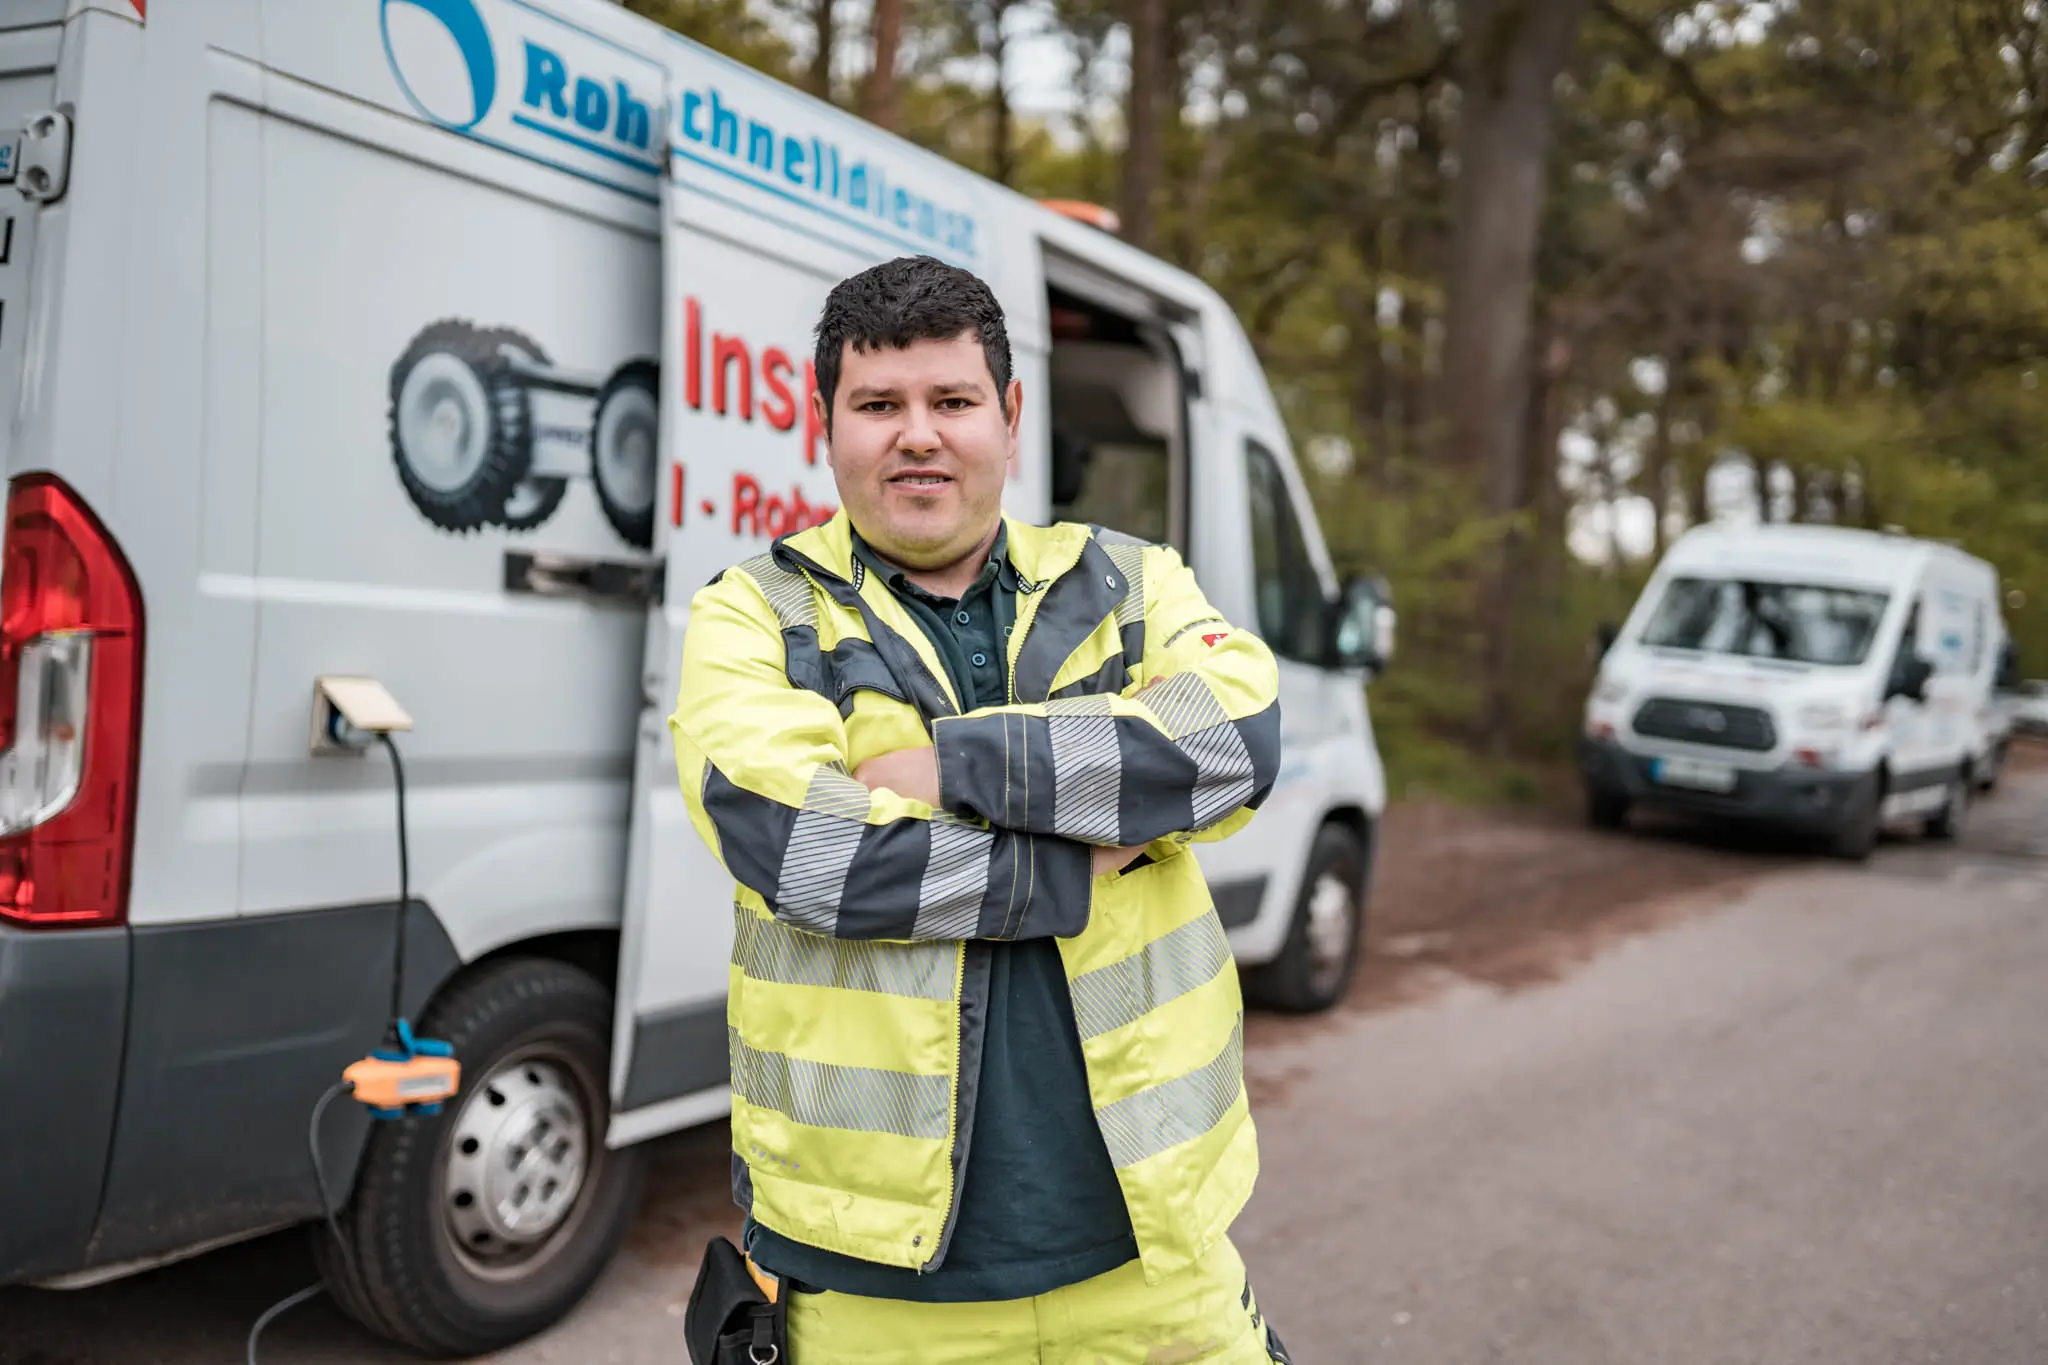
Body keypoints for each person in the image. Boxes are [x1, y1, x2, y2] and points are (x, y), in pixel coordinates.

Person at [672, 254, 1292, 1363]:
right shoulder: (750, 617)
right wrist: (1072, 855)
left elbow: (1231, 750)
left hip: (1157, 1265)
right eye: (878, 405)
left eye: (951, 401)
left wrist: (949, 769)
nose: (917, 434)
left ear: (1008, 417)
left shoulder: (1130, 582)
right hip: (880, 1296)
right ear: (826, 425)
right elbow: (811, 854)